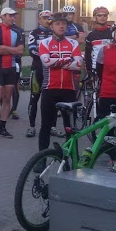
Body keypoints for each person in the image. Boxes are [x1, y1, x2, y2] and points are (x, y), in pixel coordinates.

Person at [37, 12, 83, 150]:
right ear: (51, 27)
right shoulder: (44, 43)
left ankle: (72, 158)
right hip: (49, 89)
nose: (61, 26)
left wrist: (56, 62)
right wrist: (68, 60)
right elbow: (46, 62)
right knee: (45, 126)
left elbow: (78, 65)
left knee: (70, 127)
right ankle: (42, 158)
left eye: (63, 24)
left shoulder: (73, 43)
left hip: (69, 90)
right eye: (57, 24)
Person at [0, 7, 24, 141]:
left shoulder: (18, 31)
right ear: (3, 16)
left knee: (7, 98)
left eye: (14, 16)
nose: (13, 18)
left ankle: (2, 127)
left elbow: (21, 51)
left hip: (11, 67)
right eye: (10, 15)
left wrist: (4, 48)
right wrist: (12, 49)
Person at [26, 10, 53, 138]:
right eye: (44, 17)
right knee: (34, 98)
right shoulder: (34, 33)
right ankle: (31, 126)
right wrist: (47, 56)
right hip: (38, 70)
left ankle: (51, 126)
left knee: (51, 99)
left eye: (49, 17)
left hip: (52, 71)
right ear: (39, 20)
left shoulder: (55, 32)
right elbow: (32, 51)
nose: (47, 20)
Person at [84, 6, 112, 83]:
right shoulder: (91, 35)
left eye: (105, 15)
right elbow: (87, 55)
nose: (102, 17)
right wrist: (89, 70)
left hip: (111, 68)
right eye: (99, 15)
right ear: (94, 18)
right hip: (95, 69)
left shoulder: (112, 33)